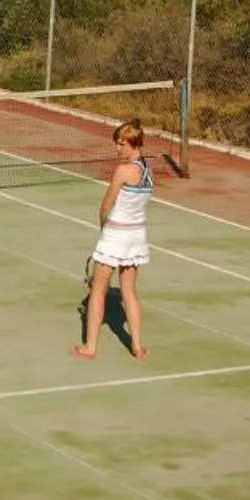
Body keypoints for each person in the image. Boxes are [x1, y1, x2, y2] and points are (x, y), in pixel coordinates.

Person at [75, 120, 152, 361]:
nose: (117, 149)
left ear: (134, 144)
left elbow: (106, 206)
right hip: (136, 237)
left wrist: (103, 228)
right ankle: (137, 346)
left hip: (116, 236)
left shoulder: (123, 171)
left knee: (97, 290)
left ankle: (90, 347)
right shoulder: (148, 172)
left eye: (121, 144)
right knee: (129, 291)